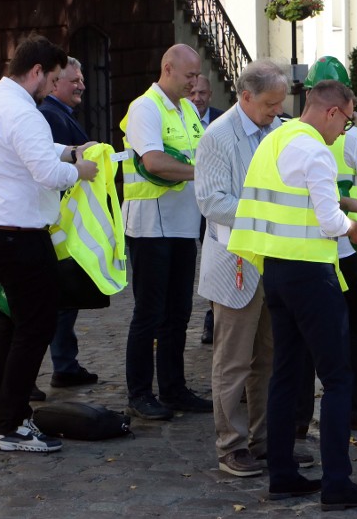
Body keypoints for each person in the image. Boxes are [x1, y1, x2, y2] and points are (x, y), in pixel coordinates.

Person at [227, 80, 357, 511]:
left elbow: (298, 199)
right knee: (336, 379)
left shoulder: (278, 137)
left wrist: (347, 204)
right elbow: (327, 220)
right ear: (333, 112)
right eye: (348, 120)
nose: (345, 131)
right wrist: (356, 226)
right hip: (311, 276)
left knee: (286, 374)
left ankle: (283, 474)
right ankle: (337, 482)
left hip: (275, 271)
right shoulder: (315, 149)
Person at [0, 34, 99, 452]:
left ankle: (5, 417)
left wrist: (71, 150)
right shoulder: (25, 114)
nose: (54, 85)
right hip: (17, 238)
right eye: (55, 76)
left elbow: (34, 153)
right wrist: (82, 171)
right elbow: (47, 173)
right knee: (35, 326)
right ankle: (11, 425)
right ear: (38, 72)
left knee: (12, 325)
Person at [194, 60, 291, 477]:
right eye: (270, 104)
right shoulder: (218, 136)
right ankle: (230, 446)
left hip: (271, 261)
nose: (276, 111)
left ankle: (265, 441)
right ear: (245, 97)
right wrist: (268, 212)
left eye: (279, 104)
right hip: (234, 262)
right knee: (232, 361)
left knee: (267, 358)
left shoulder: (278, 130)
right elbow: (212, 202)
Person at [294, 56, 357, 434]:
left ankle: (299, 416)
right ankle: (353, 409)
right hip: (345, 246)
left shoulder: (288, 135)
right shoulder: (350, 139)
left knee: (299, 336)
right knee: (352, 328)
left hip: (302, 247)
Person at [120, 43, 212, 420]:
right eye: (189, 76)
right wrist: (204, 173)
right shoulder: (145, 107)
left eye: (197, 77)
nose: (195, 84)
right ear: (168, 68)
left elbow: (203, 151)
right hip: (149, 225)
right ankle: (139, 393)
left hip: (182, 223)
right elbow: (154, 161)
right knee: (149, 312)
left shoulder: (188, 109)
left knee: (179, 311)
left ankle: (173, 389)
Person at [38, 56, 99, 393]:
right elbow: (53, 170)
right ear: (55, 82)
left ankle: (66, 362)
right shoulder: (49, 115)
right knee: (59, 299)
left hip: (63, 222)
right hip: (56, 223)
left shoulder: (60, 114)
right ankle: (62, 364)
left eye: (82, 79)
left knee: (65, 298)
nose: (81, 86)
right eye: (74, 80)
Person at [189, 73, 224, 346]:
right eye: (193, 93)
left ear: (210, 94)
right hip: (188, 205)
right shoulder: (179, 121)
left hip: (218, 204)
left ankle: (214, 317)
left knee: (217, 259)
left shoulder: (221, 121)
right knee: (205, 264)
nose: (197, 98)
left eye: (202, 93)